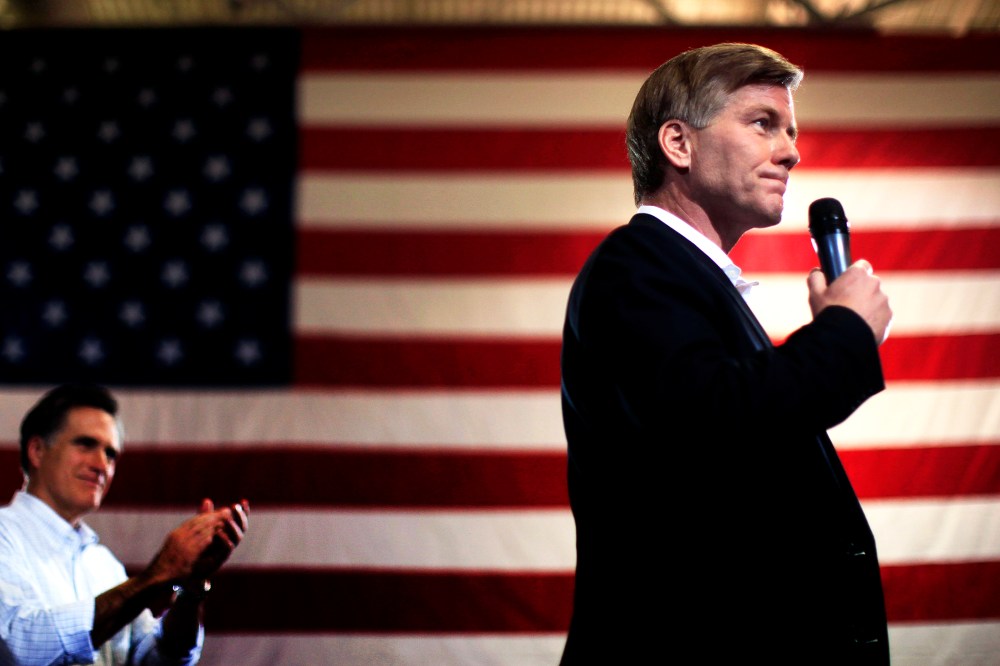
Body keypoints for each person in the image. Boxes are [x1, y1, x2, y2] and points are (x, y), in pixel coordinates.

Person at [560, 43, 892, 664]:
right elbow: (718, 417)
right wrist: (845, 333)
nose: (792, 151)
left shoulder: (684, 277)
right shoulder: (635, 269)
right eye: (763, 123)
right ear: (679, 145)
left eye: (791, 130)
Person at [0, 384, 249, 665]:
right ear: (36, 451)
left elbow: (158, 659)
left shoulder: (103, 564)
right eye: (86, 444)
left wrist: (191, 591)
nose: (101, 465)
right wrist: (158, 575)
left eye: (111, 454)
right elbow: (22, 647)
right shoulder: (4, 536)